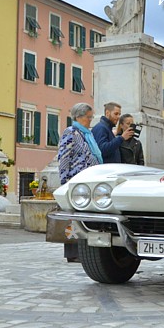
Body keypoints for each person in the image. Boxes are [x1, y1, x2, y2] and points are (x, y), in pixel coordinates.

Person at [58, 103, 104, 261]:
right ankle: (73, 253)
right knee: (74, 218)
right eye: (88, 117)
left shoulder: (86, 134)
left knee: (84, 218)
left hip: (88, 182)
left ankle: (84, 251)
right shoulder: (71, 132)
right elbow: (64, 157)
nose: (90, 120)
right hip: (75, 181)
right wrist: (65, 181)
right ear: (78, 117)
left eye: (91, 117)